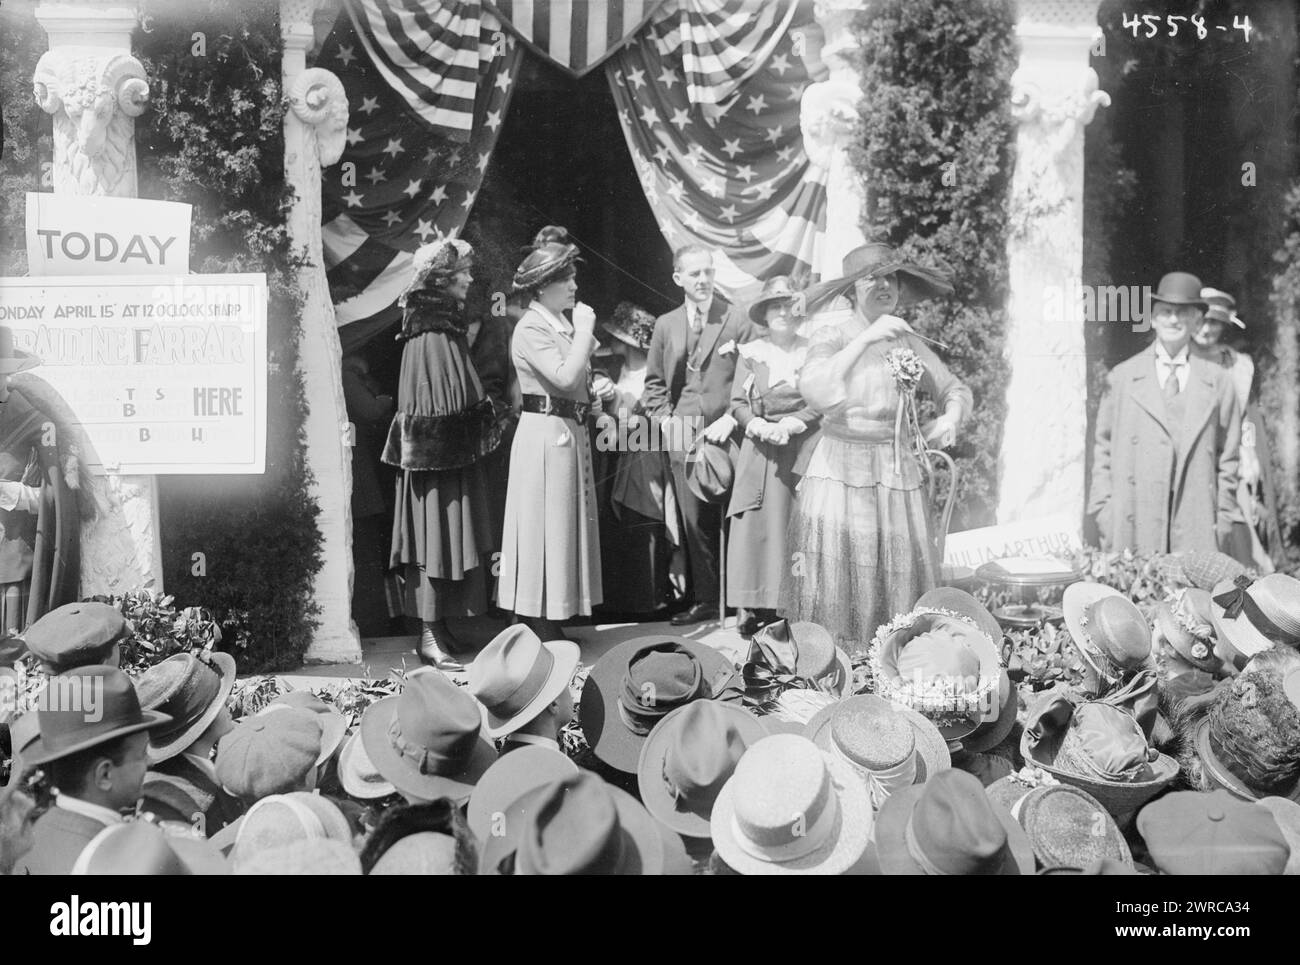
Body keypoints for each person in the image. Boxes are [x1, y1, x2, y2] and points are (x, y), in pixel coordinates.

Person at [781, 242, 971, 654]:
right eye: (872, 278)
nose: (884, 285)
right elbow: (816, 389)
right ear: (852, 290)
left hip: (895, 467)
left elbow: (952, 386)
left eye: (891, 277)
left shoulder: (905, 340)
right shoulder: (832, 335)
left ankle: (896, 659)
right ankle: (836, 661)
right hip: (841, 466)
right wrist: (866, 338)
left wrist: (951, 417)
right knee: (840, 566)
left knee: (896, 570)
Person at [382, 238, 503, 671]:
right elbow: (439, 396)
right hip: (436, 459)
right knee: (433, 536)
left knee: (447, 535)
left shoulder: (437, 322)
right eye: (464, 272)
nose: (470, 278)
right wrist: (482, 414)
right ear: (442, 277)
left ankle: (443, 627)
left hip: (446, 454)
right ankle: (428, 634)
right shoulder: (431, 328)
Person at [643, 246, 761, 627]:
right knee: (695, 522)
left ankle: (745, 603)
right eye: (694, 273)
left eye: (708, 272)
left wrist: (732, 418)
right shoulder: (666, 324)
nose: (703, 280)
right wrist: (667, 422)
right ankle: (709, 601)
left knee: (737, 517)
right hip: (684, 437)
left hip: (730, 433)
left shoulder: (737, 319)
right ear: (678, 278)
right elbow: (654, 386)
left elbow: (754, 378)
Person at [1088, 272, 1243, 557]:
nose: (1173, 320)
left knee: (1194, 601)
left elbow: (1229, 458)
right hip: (1133, 524)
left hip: (1196, 526)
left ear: (1197, 320)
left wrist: (1222, 521)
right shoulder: (1123, 377)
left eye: (1183, 312)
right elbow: (1102, 452)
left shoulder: (1218, 381)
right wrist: (1104, 511)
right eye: (1166, 311)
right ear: (1152, 318)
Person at [496, 242, 604, 640]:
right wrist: (587, 331)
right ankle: (535, 619)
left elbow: (580, 383)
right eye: (565, 279)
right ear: (541, 288)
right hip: (545, 435)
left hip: (567, 433)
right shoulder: (531, 327)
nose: (574, 285)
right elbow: (563, 377)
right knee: (544, 523)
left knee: (561, 524)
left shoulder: (559, 324)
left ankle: (551, 615)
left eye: (573, 277)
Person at [726, 276, 818, 636]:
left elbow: (823, 399)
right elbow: (736, 403)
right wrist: (759, 426)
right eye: (774, 305)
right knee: (758, 526)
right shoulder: (751, 353)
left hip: (804, 446)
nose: (782, 312)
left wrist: (795, 423)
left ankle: (796, 603)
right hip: (762, 449)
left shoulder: (814, 351)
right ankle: (757, 604)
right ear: (764, 313)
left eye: (787, 304)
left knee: (798, 524)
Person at [19, 666, 171, 875]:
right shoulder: (118, 865)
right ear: (105, 774)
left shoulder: (31, 835)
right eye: (142, 753)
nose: (150, 761)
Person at [593, 302, 680, 616]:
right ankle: (622, 601)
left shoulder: (655, 376)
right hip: (613, 459)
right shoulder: (612, 372)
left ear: (629, 341)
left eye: (616, 335)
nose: (609, 339)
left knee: (644, 524)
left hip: (645, 460)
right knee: (617, 528)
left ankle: (650, 600)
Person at [1196, 286, 1276, 572]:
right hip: (1194, 456)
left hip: (1227, 456)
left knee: (1239, 533)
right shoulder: (1180, 358)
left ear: (1224, 325)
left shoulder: (1237, 366)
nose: (1206, 329)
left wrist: (1248, 455)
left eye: (1214, 322)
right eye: (1202, 320)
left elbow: (1245, 419)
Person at [134, 651, 243, 837]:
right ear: (203, 721)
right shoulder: (197, 804)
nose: (230, 702)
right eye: (219, 701)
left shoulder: (158, 778)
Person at [342, 352, 398, 637]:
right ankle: (375, 622)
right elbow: (370, 410)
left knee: (367, 555)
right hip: (361, 479)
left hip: (363, 475)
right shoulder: (350, 377)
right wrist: (388, 400)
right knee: (366, 556)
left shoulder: (352, 376)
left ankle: (377, 620)